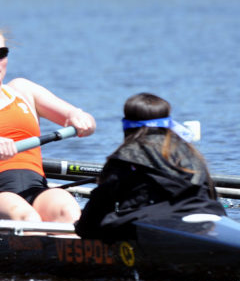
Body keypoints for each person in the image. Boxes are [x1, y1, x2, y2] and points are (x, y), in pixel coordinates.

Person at [0, 20, 96, 222]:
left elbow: (87, 122)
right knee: (26, 217)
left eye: (1, 53)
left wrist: (81, 119)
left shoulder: (23, 90)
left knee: (68, 209)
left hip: (36, 187)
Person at [76, 92, 224, 242]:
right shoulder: (190, 153)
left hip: (153, 226)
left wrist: (82, 229)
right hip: (209, 216)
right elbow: (211, 194)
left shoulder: (125, 157)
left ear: (126, 125)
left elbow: (97, 209)